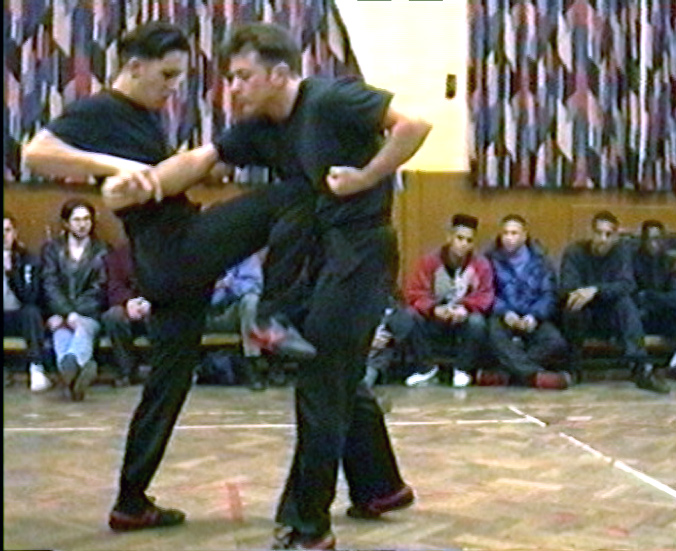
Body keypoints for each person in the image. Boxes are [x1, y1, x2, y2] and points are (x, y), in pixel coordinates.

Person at [24, 21, 431, 549]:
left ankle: (321, 517)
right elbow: (191, 159)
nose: (225, 88)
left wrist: (367, 176)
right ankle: (364, 490)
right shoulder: (225, 124)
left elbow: (414, 124)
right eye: (172, 75)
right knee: (327, 360)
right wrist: (128, 183)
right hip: (234, 256)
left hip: (332, 257)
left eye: (240, 77)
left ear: (279, 73)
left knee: (307, 378)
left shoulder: (325, 99)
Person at [560, 211, 669, 393]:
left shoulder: (621, 252)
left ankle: (640, 367)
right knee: (574, 306)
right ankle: (574, 368)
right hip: (584, 316)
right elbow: (567, 288)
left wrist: (595, 290)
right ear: (590, 233)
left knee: (625, 304)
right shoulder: (575, 252)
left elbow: (627, 285)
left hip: (610, 315)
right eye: (598, 233)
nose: (603, 239)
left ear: (615, 236)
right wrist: (589, 294)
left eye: (608, 234)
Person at [402, 214, 494, 388]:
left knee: (477, 322)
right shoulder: (429, 262)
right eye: (459, 238)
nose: (463, 244)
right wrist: (433, 308)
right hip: (434, 318)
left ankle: (462, 369)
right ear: (449, 238)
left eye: (469, 240)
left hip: (462, 319)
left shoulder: (481, 265)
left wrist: (465, 308)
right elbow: (414, 293)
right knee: (410, 316)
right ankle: (426, 369)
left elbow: (485, 296)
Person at [485, 214, 570, 389]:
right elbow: (488, 292)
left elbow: (548, 294)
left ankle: (509, 374)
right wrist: (505, 312)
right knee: (493, 334)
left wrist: (534, 316)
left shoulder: (541, 261)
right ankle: (533, 376)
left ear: (524, 235)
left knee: (555, 342)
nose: (509, 238)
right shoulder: (490, 260)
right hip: (504, 317)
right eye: (505, 233)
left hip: (532, 317)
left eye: (514, 233)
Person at [41, 199, 109, 401]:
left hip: (89, 313)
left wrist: (75, 314)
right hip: (59, 314)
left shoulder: (103, 250)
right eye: (77, 219)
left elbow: (100, 288)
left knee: (82, 329)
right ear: (66, 223)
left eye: (87, 219)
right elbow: (49, 284)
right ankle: (78, 370)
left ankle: (69, 373)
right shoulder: (52, 250)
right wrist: (66, 313)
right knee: (61, 331)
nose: (82, 224)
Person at [631, 220, 676, 376]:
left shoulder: (671, 263)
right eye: (649, 239)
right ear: (642, 241)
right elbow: (633, 295)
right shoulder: (632, 261)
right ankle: (639, 364)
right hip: (640, 317)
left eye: (658, 239)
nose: (654, 244)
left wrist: (650, 296)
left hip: (664, 315)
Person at [204, 251, 268, 390]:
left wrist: (228, 285)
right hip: (197, 312)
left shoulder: (244, 253)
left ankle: (252, 364)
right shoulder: (192, 251)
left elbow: (255, 285)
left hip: (228, 312)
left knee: (251, 300)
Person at [4, 212, 52, 392]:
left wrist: (11, 274)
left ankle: (36, 369)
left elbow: (30, 296)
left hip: (17, 317)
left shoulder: (27, 259)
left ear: (15, 233)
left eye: (7, 230)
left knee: (31, 311)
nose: (3, 236)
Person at [101, 241, 150, 387]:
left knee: (166, 316)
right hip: (128, 305)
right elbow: (114, 285)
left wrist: (149, 301)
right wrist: (128, 302)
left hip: (156, 303)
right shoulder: (119, 254)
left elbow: (170, 281)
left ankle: (163, 371)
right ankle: (126, 371)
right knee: (113, 316)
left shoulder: (164, 251)